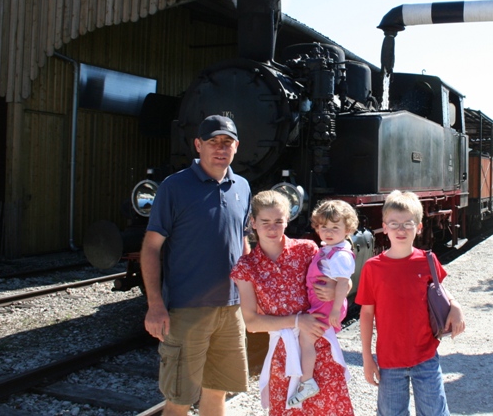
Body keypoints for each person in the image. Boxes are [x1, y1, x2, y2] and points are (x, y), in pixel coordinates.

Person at [141, 115, 251, 416]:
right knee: (179, 400)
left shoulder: (242, 187)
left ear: (237, 147)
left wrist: (250, 297)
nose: (221, 148)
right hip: (187, 310)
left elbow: (242, 244)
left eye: (227, 142)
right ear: (198, 145)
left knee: (217, 393)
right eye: (213, 142)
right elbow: (151, 247)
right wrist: (155, 305)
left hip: (231, 310)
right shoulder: (174, 187)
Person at [231, 191, 353, 415]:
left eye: (278, 221)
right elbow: (252, 323)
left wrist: (337, 289)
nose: (272, 228)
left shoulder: (306, 249)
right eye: (265, 222)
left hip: (319, 346)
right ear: (253, 223)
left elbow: (342, 276)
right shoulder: (246, 267)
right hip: (283, 354)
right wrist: (298, 321)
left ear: (287, 220)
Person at [357, 190, 465, 416]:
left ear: (419, 227)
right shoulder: (372, 268)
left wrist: (455, 306)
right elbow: (366, 314)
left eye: (408, 224)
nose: (401, 230)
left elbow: (439, 290)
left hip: (426, 356)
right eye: (394, 224)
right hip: (390, 361)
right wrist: (367, 357)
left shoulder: (428, 260)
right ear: (384, 227)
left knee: (434, 412)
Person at [289, 199, 357, 408]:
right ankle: (307, 379)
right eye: (324, 227)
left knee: (306, 339)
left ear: (347, 229)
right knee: (305, 337)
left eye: (335, 227)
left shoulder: (340, 255)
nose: (328, 232)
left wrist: (335, 310)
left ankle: (307, 382)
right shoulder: (329, 249)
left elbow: (343, 282)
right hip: (321, 303)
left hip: (327, 305)